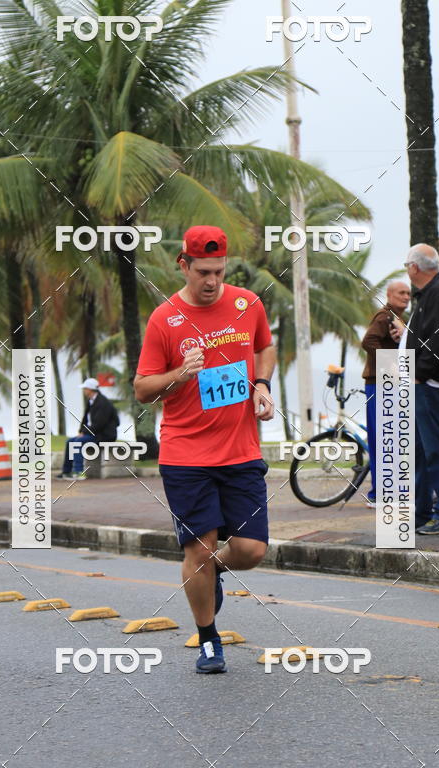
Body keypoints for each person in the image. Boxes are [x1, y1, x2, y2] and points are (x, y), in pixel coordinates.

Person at [134, 225, 275, 674]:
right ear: (184, 265)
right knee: (200, 547)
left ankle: (209, 572)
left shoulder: (247, 304)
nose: (212, 281)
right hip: (186, 455)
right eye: (203, 273)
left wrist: (262, 385)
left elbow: (265, 348)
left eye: (219, 271)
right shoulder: (165, 319)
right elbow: (141, 388)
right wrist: (178, 374)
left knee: (252, 550)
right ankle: (209, 640)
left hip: (241, 451)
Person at [390, 244, 439, 535]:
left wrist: (418, 374)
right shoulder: (431, 293)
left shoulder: (438, 293)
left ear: (414, 268)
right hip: (423, 383)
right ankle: (422, 513)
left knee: (438, 450)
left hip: (430, 384)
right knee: (421, 452)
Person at [361, 280, 411, 508]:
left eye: (408, 293)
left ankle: (389, 490)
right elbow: (368, 341)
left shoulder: (399, 319)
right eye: (401, 293)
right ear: (389, 295)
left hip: (388, 384)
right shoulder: (385, 316)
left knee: (389, 439)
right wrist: (389, 363)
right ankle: (379, 493)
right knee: (383, 439)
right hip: (380, 383)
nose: (406, 296)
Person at [57, 377, 119, 480]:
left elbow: (99, 424)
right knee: (70, 441)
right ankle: (66, 472)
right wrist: (81, 431)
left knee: (78, 441)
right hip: (94, 433)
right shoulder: (90, 401)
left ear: (90, 389)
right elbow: (85, 419)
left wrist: (85, 433)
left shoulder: (103, 403)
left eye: (85, 388)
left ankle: (79, 472)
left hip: (104, 435)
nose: (84, 391)